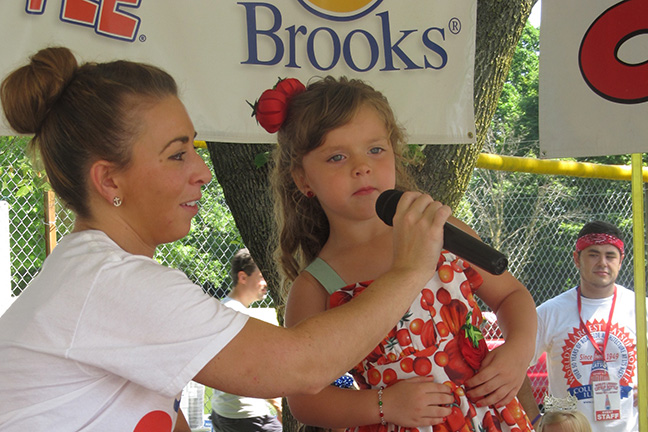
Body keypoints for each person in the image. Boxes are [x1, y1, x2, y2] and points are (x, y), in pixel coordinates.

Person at [0, 47, 453, 431]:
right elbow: (301, 367)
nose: (201, 172)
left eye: (194, 150)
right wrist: (411, 269)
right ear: (110, 181)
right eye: (177, 154)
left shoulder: (99, 275)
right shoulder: (109, 282)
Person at [257, 75, 537, 431]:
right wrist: (383, 405)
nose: (362, 166)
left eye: (375, 149)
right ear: (302, 179)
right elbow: (305, 400)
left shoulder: (440, 233)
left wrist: (519, 350)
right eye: (337, 157)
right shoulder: (317, 285)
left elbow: (512, 294)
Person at [532, 220, 644, 432]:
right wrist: (534, 419)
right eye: (593, 254)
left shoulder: (640, 308)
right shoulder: (550, 312)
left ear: (621, 261)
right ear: (577, 259)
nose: (602, 262)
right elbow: (516, 368)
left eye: (610, 255)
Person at [210, 248, 282, 432]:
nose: (266, 283)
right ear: (243, 277)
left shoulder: (225, 308)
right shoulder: (237, 314)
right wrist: (277, 404)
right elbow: (252, 366)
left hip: (224, 411)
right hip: (246, 415)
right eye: (261, 276)